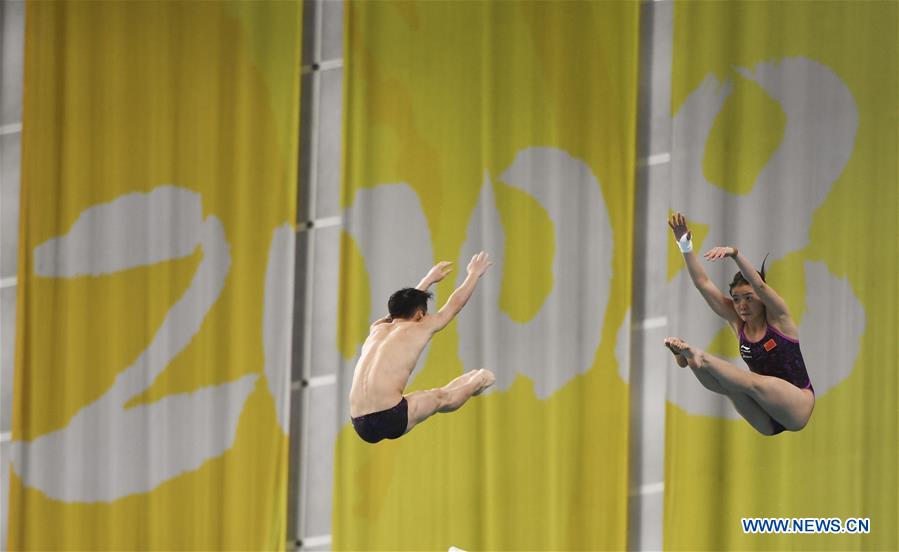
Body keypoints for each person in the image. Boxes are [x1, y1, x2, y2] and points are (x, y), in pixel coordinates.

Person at [664, 212, 814, 435]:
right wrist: (685, 245)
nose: (741, 306)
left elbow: (760, 286)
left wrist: (735, 254)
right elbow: (703, 284)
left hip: (797, 406)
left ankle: (699, 356)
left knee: (750, 381)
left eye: (748, 298)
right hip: (767, 419)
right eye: (736, 299)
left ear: (761, 298)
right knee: (727, 387)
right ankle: (691, 359)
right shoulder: (738, 322)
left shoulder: (779, 319)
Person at [349, 252, 496, 443]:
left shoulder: (377, 328)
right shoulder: (420, 327)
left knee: (432, 396)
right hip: (391, 416)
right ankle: (478, 382)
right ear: (419, 315)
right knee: (440, 398)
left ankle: (470, 382)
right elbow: (455, 305)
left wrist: (428, 280)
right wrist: (473, 274)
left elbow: (400, 309)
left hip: (359, 423)